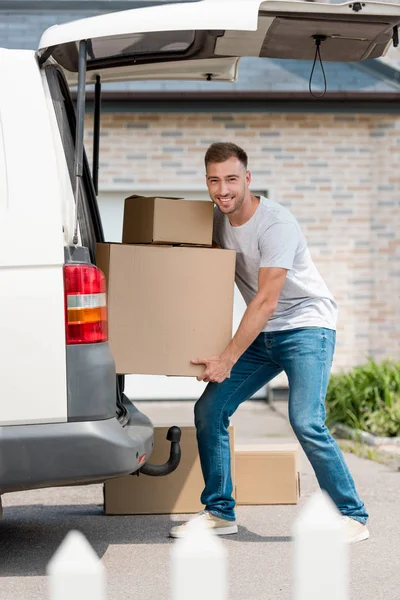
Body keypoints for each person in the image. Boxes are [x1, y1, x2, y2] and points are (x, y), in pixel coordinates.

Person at [169, 142, 369, 544]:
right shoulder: (216, 222)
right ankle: (219, 512)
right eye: (213, 180)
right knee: (211, 408)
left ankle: (351, 515)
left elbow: (265, 300)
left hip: (306, 325)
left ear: (247, 178)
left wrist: (226, 358)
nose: (222, 190)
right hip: (265, 332)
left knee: (306, 420)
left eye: (230, 179)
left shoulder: (276, 224)